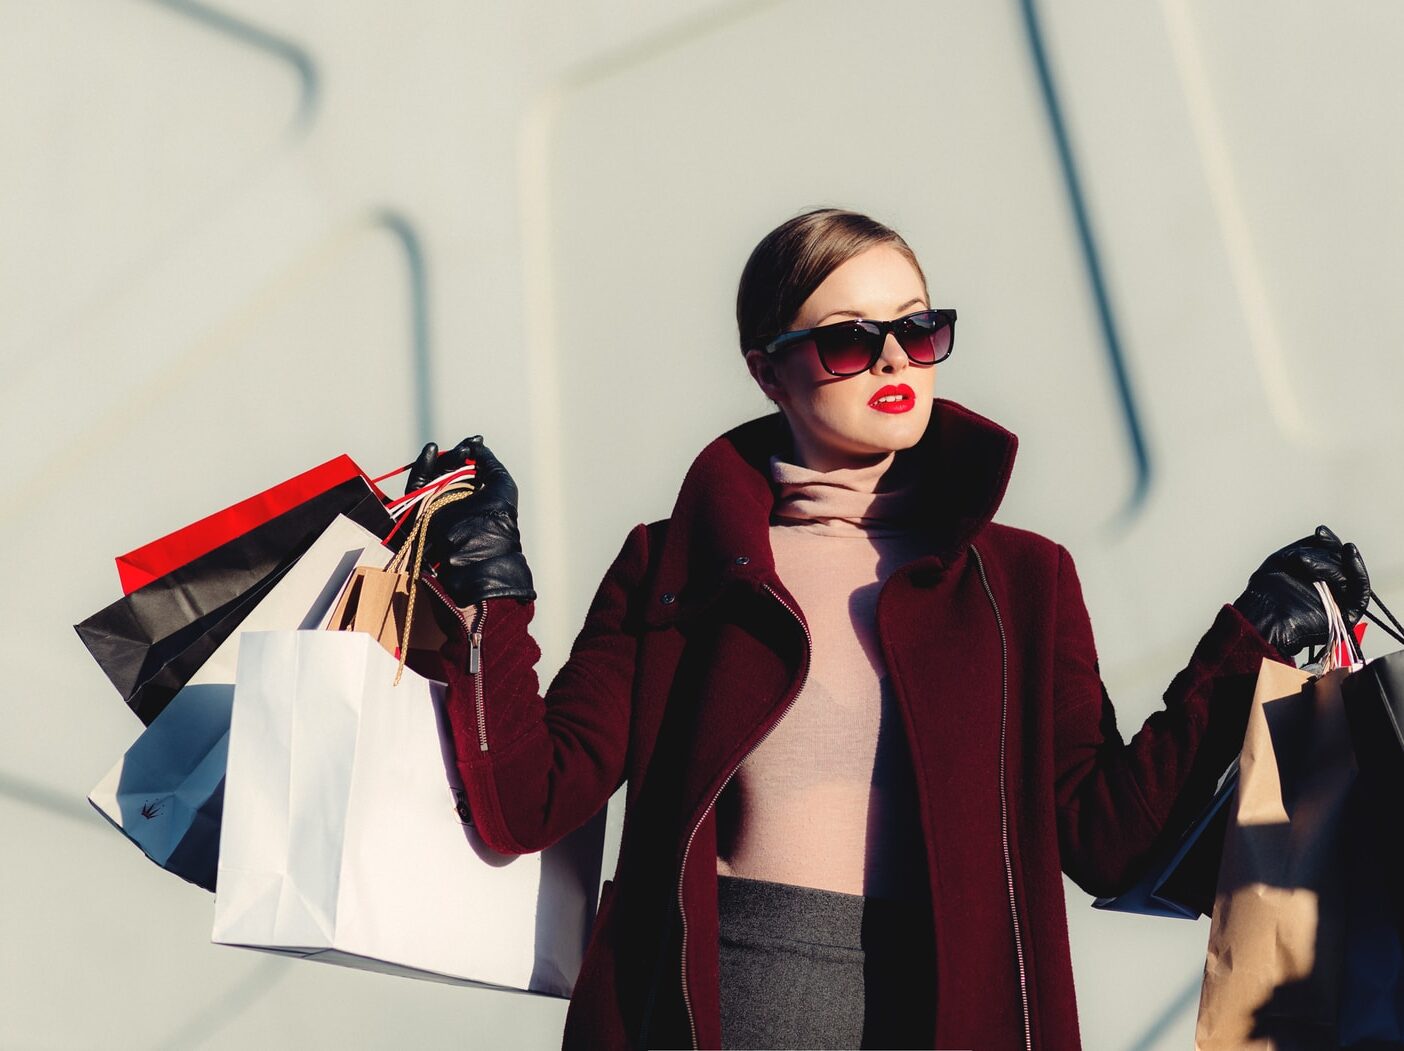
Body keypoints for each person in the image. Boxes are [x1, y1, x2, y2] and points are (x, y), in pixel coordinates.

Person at [405, 208, 1371, 1050]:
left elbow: (1107, 838)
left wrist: (1248, 640)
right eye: (848, 341)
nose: (897, 361)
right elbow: (528, 799)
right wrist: (490, 588)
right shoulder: (677, 565)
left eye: (919, 328)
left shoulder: (1022, 579)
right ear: (767, 370)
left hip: (955, 1012)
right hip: (719, 1010)